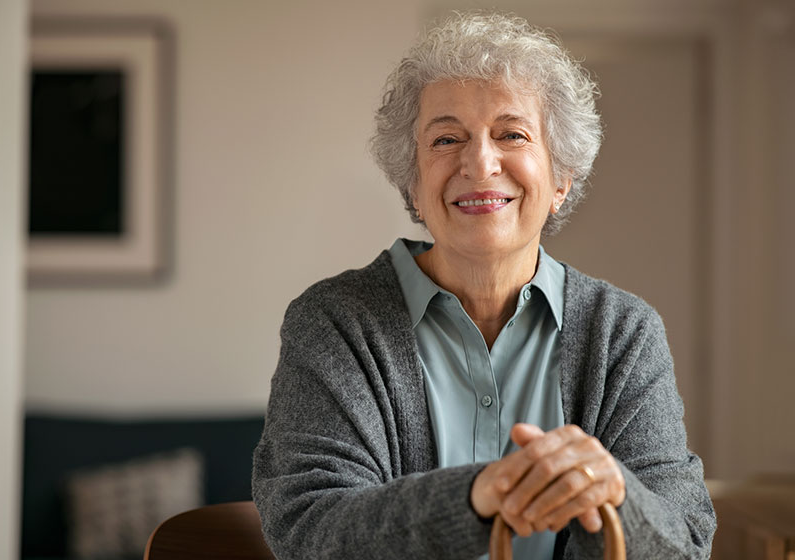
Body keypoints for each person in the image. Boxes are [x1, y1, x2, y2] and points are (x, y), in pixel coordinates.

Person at [252, 11, 715, 559]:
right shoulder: (333, 322)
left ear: (561, 178)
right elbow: (310, 532)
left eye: (511, 134)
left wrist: (615, 494)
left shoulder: (624, 333)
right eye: (447, 139)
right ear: (414, 184)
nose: (479, 161)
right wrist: (475, 498)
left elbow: (683, 544)